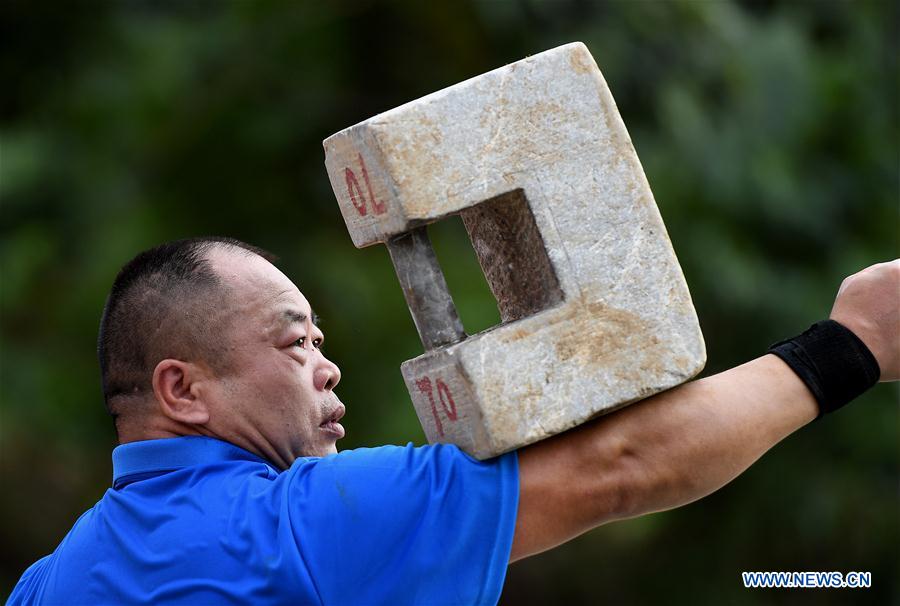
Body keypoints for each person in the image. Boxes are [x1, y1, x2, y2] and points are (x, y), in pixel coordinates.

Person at [7, 237, 898, 606]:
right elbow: (623, 464)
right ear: (182, 390)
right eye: (296, 342)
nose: (326, 366)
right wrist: (853, 344)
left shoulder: (48, 586)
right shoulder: (299, 527)